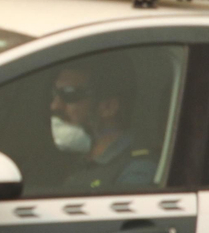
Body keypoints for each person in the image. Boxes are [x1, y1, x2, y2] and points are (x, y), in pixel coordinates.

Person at [48, 54, 157, 191]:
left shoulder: (137, 169)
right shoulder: (80, 161)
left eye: (69, 94)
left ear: (108, 107)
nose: (54, 105)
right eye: (55, 94)